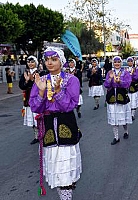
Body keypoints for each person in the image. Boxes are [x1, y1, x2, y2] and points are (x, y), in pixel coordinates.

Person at [29, 47, 82, 200]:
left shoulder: (72, 80)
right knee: (56, 170)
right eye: (47, 60)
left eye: (54, 59)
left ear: (61, 61)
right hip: (48, 126)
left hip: (66, 123)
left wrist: (58, 91)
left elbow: (69, 105)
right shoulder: (42, 80)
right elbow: (35, 107)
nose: (49, 63)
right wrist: (40, 92)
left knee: (66, 170)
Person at [104, 56, 132, 145]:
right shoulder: (110, 72)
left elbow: (128, 84)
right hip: (112, 97)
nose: (117, 63)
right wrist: (110, 79)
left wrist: (120, 82)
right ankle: (116, 137)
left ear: (121, 63)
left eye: (118, 62)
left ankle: (126, 131)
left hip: (122, 96)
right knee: (113, 118)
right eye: (115, 62)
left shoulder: (125, 72)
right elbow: (106, 85)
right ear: (113, 63)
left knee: (123, 116)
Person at [19, 56, 39, 144]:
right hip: (28, 99)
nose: (30, 64)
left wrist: (32, 80)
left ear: (36, 63)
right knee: (32, 119)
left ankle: (43, 134)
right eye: (29, 62)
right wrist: (27, 81)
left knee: (39, 118)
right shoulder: (25, 73)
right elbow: (21, 86)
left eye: (32, 62)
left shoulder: (40, 73)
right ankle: (36, 136)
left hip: (38, 100)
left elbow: (43, 86)